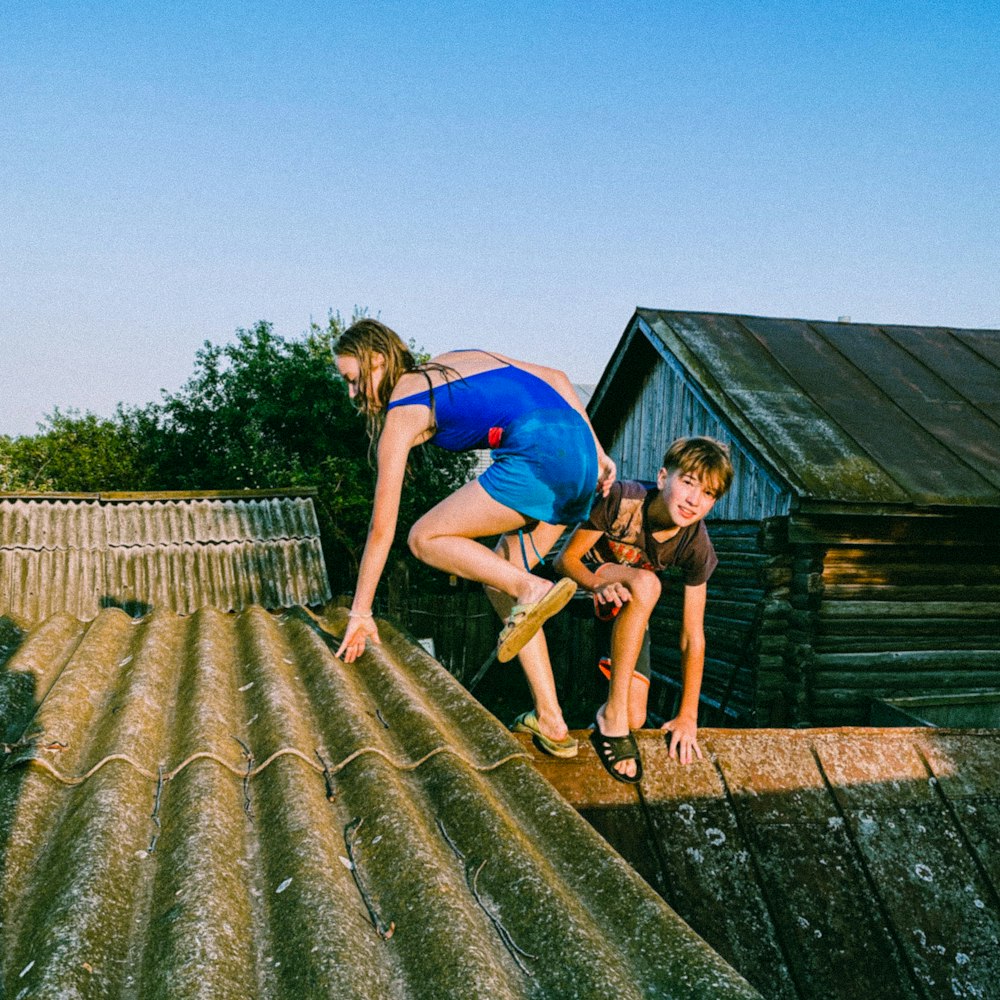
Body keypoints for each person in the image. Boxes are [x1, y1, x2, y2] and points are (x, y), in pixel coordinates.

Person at [333, 319, 615, 757]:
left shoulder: (404, 404)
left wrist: (360, 612)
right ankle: (552, 719)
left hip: (538, 455)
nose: (352, 395)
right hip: (580, 460)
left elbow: (381, 527)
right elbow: (558, 378)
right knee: (499, 576)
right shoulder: (452, 361)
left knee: (424, 537)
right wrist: (597, 451)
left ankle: (531, 587)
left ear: (378, 361)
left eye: (352, 380)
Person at [554, 436, 734, 783]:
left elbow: (692, 636)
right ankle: (612, 721)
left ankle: (609, 718)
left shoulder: (696, 545)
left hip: (627, 605)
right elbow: (566, 559)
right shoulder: (624, 499)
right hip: (583, 584)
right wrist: (597, 585)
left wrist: (688, 716)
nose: (695, 500)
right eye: (688, 483)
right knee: (649, 583)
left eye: (709, 494)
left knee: (636, 717)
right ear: (664, 477)